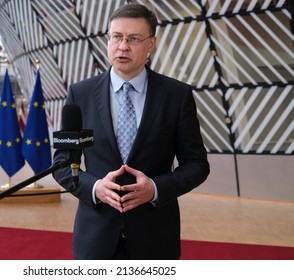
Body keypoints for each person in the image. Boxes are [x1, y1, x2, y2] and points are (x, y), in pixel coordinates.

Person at [52, 3, 209, 260]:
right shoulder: (79, 95)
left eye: (133, 39)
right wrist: (95, 188)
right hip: (95, 239)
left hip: (155, 239)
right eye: (116, 37)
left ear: (151, 44)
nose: (122, 46)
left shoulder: (176, 96)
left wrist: (156, 188)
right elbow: (61, 165)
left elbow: (197, 164)